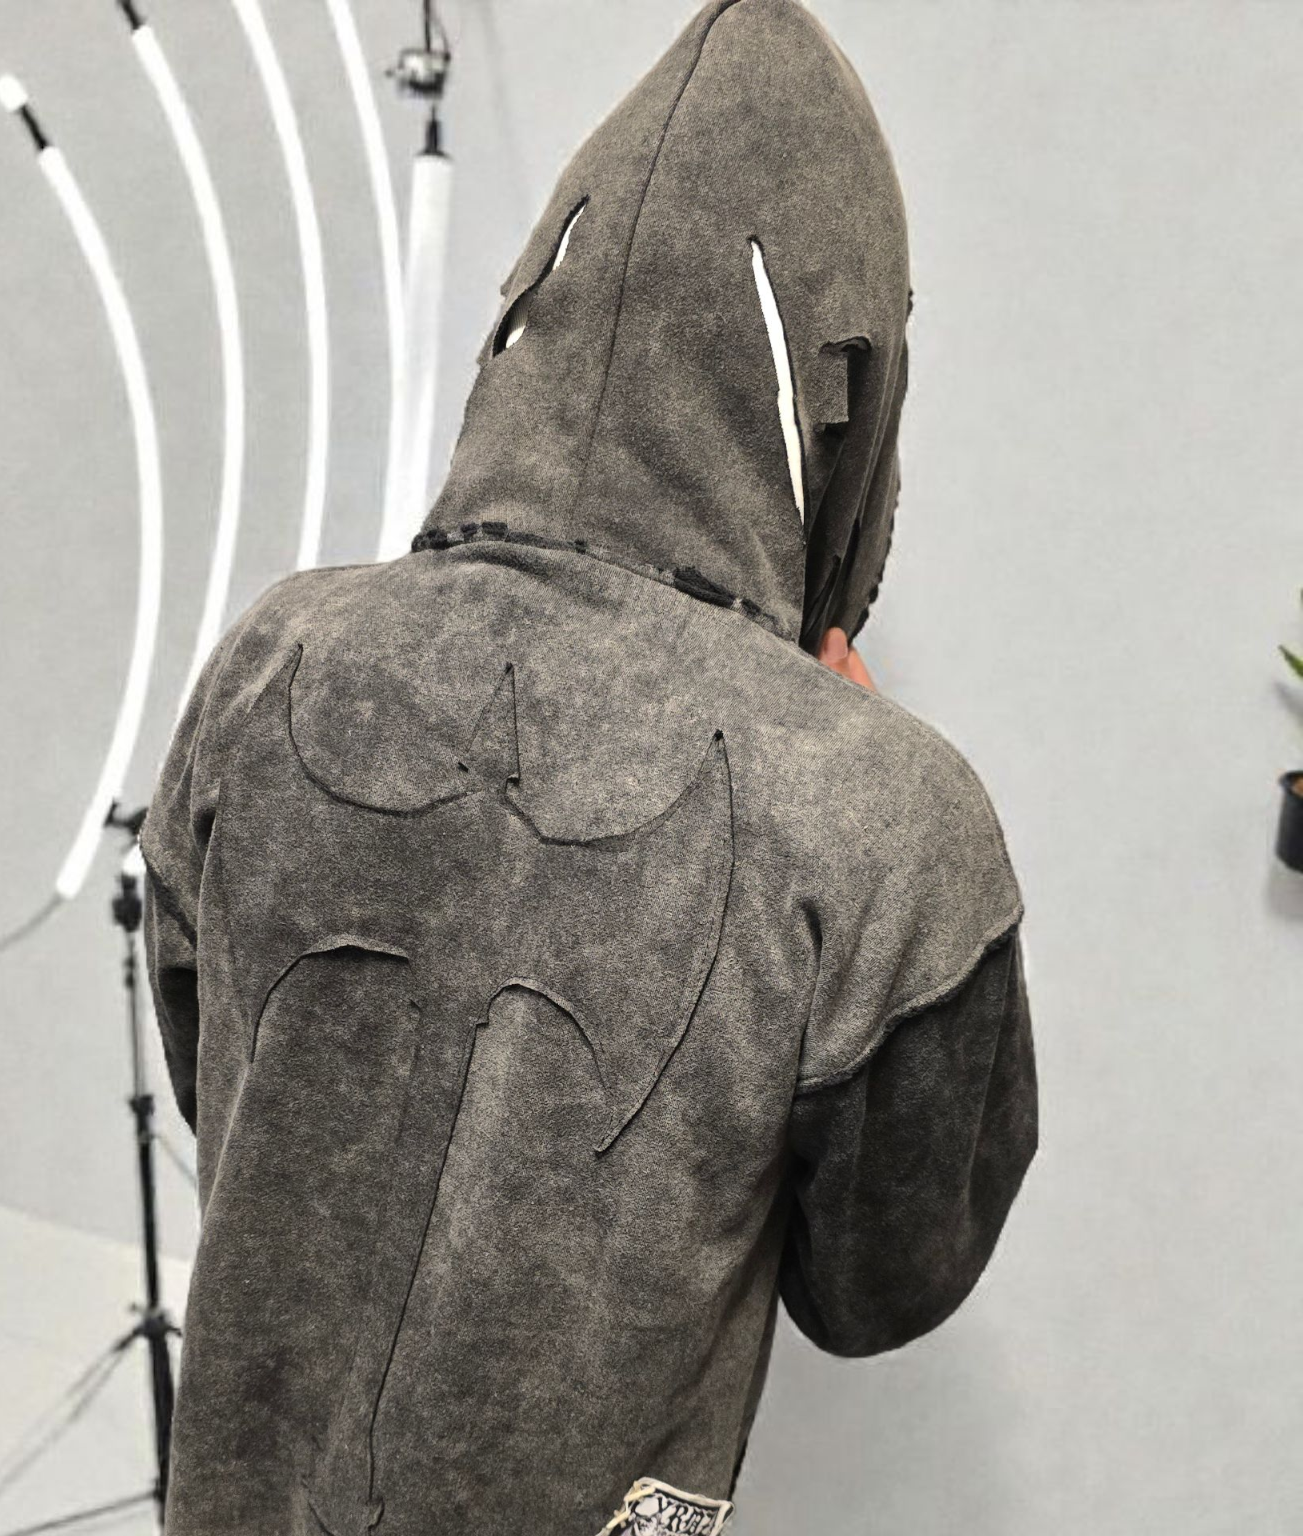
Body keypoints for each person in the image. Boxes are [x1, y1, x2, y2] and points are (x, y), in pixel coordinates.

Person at [139, 2, 1038, 1532]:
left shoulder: (276, 657)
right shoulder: (886, 816)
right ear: (848, 389)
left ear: (535, 307)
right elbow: (885, 1279)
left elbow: (224, 1081)